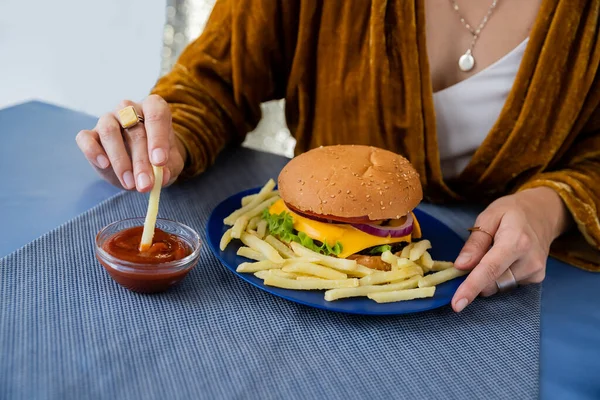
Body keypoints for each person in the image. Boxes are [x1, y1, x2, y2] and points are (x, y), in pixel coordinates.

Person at [75, 0, 600, 312]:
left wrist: (552, 205)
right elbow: (215, 81)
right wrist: (163, 142)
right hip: (296, 295)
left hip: (524, 290)